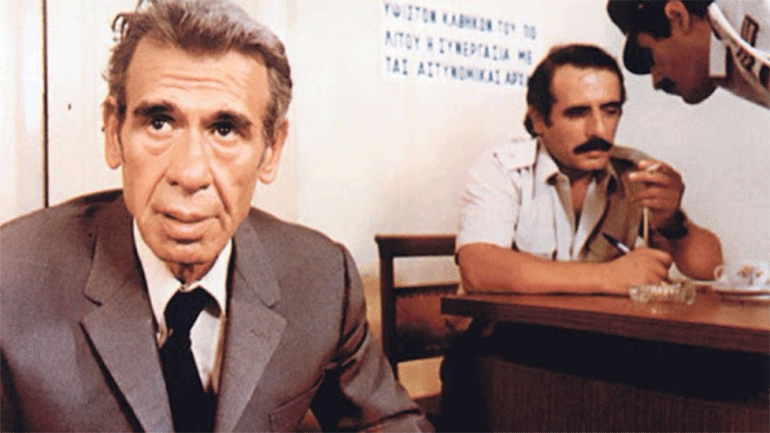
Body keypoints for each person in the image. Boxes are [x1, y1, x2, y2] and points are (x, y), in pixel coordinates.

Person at [0, 1, 432, 431]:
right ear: (114, 133)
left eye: (224, 130)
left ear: (271, 150)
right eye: (159, 123)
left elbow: (388, 423)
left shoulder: (320, 279)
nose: (190, 173)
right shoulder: (11, 280)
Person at [455, 44, 723, 295]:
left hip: (596, 328)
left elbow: (709, 268)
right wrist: (609, 276)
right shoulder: (502, 169)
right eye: (578, 113)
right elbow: (477, 268)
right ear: (538, 120)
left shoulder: (635, 172)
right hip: (506, 328)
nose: (599, 130)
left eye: (610, 111)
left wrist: (672, 220)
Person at [607, 0, 770, 108]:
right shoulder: (722, 57)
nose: (656, 82)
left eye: (648, 57)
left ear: (678, 16)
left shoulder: (752, 19)